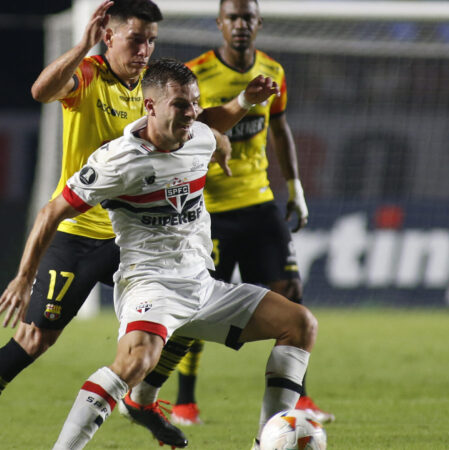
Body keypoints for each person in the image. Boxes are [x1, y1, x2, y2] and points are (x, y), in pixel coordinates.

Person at [0, 1, 276, 449]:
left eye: (151, 40)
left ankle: (142, 397)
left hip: (137, 238)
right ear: (109, 37)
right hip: (81, 233)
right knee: (33, 339)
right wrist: (81, 46)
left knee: (190, 302)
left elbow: (202, 123)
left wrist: (243, 103)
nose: (145, 48)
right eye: (136, 38)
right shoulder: (89, 76)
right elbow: (41, 91)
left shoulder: (157, 87)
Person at [0, 58, 317, 450]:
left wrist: (245, 103)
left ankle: (267, 444)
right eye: (181, 104)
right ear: (150, 107)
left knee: (300, 324)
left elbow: (218, 126)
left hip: (202, 286)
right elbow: (51, 212)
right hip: (150, 288)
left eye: (195, 103)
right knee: (134, 364)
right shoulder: (117, 161)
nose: (192, 113)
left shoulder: (199, 135)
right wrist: (24, 278)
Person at [131, 0, 336, 429]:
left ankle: (299, 399)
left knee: (292, 293)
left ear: (258, 24)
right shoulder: (195, 74)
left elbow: (279, 127)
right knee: (196, 305)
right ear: (220, 25)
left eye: (248, 18)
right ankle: (185, 402)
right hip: (212, 208)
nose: (240, 25)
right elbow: (178, 131)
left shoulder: (274, 72)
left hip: (259, 201)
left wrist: (295, 189)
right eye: (233, 18)